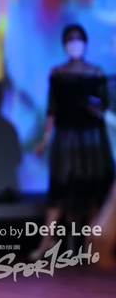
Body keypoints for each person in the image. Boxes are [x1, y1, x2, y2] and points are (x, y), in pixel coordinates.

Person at [32, 24, 115, 260]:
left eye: (78, 39)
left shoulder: (96, 73)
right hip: (65, 140)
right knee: (59, 192)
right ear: (64, 44)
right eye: (70, 39)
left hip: (91, 140)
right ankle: (45, 244)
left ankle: (93, 247)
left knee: (93, 193)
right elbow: (52, 110)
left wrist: (96, 107)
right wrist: (45, 139)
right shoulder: (58, 74)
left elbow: (105, 106)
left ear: (85, 44)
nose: (74, 44)